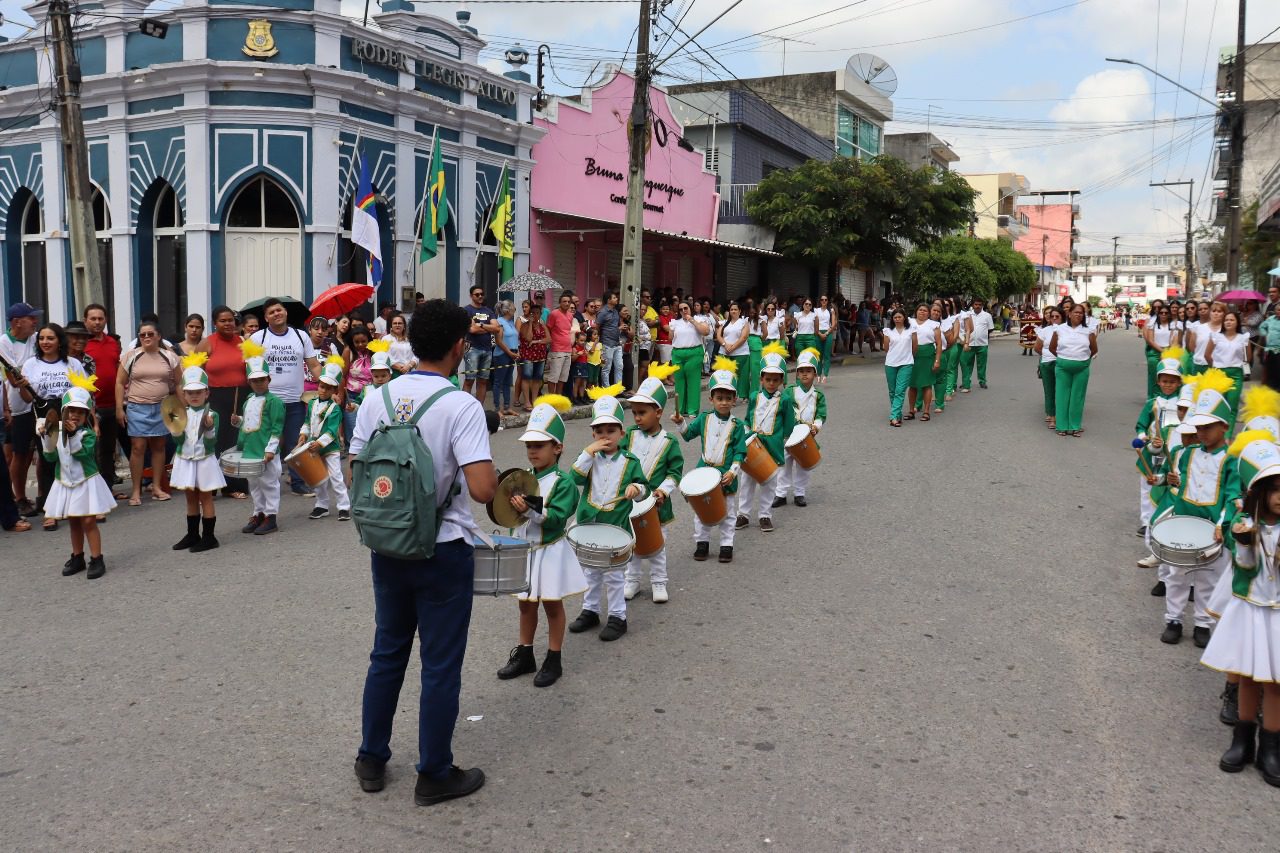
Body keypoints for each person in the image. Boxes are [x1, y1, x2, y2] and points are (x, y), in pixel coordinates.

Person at [348, 298, 497, 805]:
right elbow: (482, 489)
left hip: (387, 544)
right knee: (439, 664)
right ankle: (433, 772)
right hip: (443, 548)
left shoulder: (377, 398)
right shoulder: (461, 405)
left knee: (387, 651)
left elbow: (357, 471)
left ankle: (371, 757)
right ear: (459, 346)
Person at [497, 395, 585, 688]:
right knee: (525, 604)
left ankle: (554, 658)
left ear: (557, 447)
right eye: (529, 446)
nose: (532, 451)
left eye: (539, 445)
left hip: (549, 550)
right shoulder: (522, 477)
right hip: (525, 549)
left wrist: (530, 510)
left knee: (551, 604)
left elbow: (557, 518)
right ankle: (525, 654)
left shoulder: (564, 482)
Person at [1208, 437, 1280, 786]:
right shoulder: (1246, 523)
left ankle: (1271, 747)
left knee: (1276, 684)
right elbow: (1245, 569)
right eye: (1275, 489)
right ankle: (1242, 740)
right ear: (1259, 492)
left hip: (1278, 614)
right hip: (1251, 610)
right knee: (1249, 676)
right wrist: (1244, 542)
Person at [1155, 369, 1239, 646]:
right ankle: (1174, 619)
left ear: (1224, 426)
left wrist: (1222, 524)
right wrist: (1171, 481)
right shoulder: (1186, 453)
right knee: (1177, 576)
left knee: (1208, 579)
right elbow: (1177, 481)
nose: (1200, 433)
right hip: (1184, 523)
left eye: (1207, 427)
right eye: (1198, 428)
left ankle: (1203, 623)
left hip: (1213, 530)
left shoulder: (1231, 460)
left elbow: (1233, 495)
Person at [566, 392, 649, 642]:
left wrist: (636, 489)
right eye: (599, 431)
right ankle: (590, 610)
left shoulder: (631, 461)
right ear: (593, 435)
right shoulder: (589, 459)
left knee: (614, 576)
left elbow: (644, 488)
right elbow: (573, 478)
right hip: (590, 526)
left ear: (621, 433)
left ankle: (617, 617)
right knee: (590, 572)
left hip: (616, 527)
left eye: (611, 431)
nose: (605, 436)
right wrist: (587, 452)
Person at [41, 374, 113, 579]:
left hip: (85, 482)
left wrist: (72, 436)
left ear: (86, 415)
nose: (75, 415)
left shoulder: (87, 435)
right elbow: (50, 457)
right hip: (65, 482)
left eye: (80, 412)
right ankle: (77, 556)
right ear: (64, 411)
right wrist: (47, 437)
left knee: (88, 522)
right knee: (73, 522)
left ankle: (97, 558)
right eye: (71, 410)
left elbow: (83, 454)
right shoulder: (57, 430)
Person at [621, 369, 683, 603]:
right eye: (634, 413)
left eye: (642, 413)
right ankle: (632, 581)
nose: (637, 418)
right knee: (632, 545)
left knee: (657, 546)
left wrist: (663, 491)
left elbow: (675, 472)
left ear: (658, 412)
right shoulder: (629, 435)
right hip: (630, 503)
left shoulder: (669, 441)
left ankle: (659, 582)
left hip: (657, 504)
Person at [247, 298, 319, 498]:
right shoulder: (257, 338)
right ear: (266, 318)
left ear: (285, 312)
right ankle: (264, 483)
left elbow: (313, 365)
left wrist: (329, 384)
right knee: (267, 442)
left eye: (279, 310)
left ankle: (297, 482)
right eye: (271, 312)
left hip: (295, 400)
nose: (276, 314)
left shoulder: (301, 336)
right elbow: (250, 370)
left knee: (296, 442)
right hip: (267, 402)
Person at [22, 323, 89, 528]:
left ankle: (80, 506)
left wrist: (91, 421)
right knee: (49, 460)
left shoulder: (72, 364)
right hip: (44, 415)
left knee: (74, 457)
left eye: (50, 338)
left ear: (60, 340)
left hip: (70, 412)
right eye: (41, 338)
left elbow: (84, 393)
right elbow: (27, 398)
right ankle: (50, 511)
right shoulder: (31, 364)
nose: (45, 342)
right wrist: (21, 387)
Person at [681, 364, 746, 563]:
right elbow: (687, 435)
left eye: (728, 398)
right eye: (719, 398)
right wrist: (679, 422)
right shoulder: (704, 418)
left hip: (726, 474)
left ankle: (727, 544)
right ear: (711, 399)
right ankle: (702, 542)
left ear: (734, 399)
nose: (724, 402)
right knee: (701, 511)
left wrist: (733, 472)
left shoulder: (738, 425)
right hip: (704, 473)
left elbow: (740, 452)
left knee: (728, 512)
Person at [116, 320, 180, 505]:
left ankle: (157, 487)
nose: (146, 337)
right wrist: (119, 408)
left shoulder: (170, 356)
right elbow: (119, 382)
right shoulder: (131, 356)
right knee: (138, 448)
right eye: (142, 334)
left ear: (158, 336)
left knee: (159, 446)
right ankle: (136, 491)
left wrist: (183, 408)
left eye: (150, 334)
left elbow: (179, 383)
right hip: (137, 407)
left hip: (163, 407)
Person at [168, 354, 225, 552]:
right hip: (185, 459)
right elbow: (179, 442)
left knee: (205, 497)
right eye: (190, 392)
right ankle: (192, 534)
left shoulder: (212, 415)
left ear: (206, 393)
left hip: (204, 460)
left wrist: (208, 428)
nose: (194, 396)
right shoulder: (180, 414)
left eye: (198, 392)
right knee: (190, 497)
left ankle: (209, 537)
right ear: (184, 394)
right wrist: (175, 430)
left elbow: (211, 443)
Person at [736, 348, 796, 533]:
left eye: (776, 380)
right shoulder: (754, 396)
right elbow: (748, 418)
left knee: (769, 483)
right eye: (768, 379)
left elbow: (789, 425)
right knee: (747, 481)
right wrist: (746, 436)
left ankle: (765, 515)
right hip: (753, 446)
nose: (771, 383)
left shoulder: (785, 400)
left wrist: (782, 441)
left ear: (781, 380)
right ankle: (743, 514)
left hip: (773, 447)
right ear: (761, 379)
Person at [197, 306, 248, 500]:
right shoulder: (206, 343)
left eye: (230, 320)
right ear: (214, 323)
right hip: (215, 396)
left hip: (239, 395)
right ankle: (210, 486)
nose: (228, 324)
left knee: (235, 441)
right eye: (223, 321)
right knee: (214, 440)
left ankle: (232, 485)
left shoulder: (243, 342)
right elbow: (195, 373)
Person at [235, 340, 285, 535]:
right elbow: (249, 422)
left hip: (265, 450)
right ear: (249, 382)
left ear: (269, 379)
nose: (259, 383)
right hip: (250, 449)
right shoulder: (248, 399)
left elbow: (277, 427)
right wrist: (237, 421)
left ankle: (271, 517)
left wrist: (271, 449)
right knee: (254, 484)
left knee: (269, 483)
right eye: (255, 380)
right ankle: (258, 513)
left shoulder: (275, 401)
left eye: (262, 379)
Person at [1133, 353, 1184, 539]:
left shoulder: (1183, 405)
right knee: (1148, 484)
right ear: (1158, 382)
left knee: (1170, 484)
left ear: (1179, 382)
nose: (1168, 385)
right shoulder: (1152, 403)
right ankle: (1146, 521)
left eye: (1172, 381)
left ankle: (1165, 519)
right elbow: (1140, 425)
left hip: (1174, 453)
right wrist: (1144, 438)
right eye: (1164, 381)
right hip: (1153, 451)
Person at [2, 302, 42, 517]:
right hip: (17, 407)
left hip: (39, 402)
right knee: (20, 454)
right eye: (31, 318)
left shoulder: (36, 338)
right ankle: (18, 498)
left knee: (41, 451)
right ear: (17, 322)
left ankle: (43, 494)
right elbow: (13, 375)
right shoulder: (4, 342)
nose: (35, 321)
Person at [301, 357, 350, 522]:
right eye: (322, 386)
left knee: (336, 477)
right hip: (313, 446)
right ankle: (321, 505)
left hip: (330, 448)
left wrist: (319, 443)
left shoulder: (335, 409)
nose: (323, 390)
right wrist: (303, 434)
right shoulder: (312, 403)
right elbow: (307, 422)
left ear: (334, 390)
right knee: (318, 478)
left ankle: (344, 507)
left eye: (328, 388)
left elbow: (332, 431)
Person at [774, 348, 825, 507]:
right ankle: (780, 494)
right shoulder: (789, 392)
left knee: (804, 465)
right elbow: (781, 410)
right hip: (787, 436)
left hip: (806, 436)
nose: (804, 374)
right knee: (783, 465)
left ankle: (799, 493)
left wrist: (816, 426)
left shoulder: (818, 395)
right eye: (801, 371)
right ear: (796, 374)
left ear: (815, 374)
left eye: (808, 371)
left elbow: (821, 415)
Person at [1049, 304, 1098, 437]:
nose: (1078, 314)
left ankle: (1075, 426)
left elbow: (1094, 349)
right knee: (1062, 396)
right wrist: (1063, 358)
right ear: (1069, 314)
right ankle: (1061, 426)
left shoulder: (1088, 331)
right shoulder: (1059, 329)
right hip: (1062, 368)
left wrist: (1084, 360)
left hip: (1081, 368)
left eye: (1081, 313)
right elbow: (1052, 348)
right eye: (1075, 312)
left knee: (1078, 397)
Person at [1205, 309, 1251, 421]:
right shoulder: (1216, 336)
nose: (1228, 322)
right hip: (1219, 374)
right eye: (1226, 320)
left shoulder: (1243, 338)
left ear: (1237, 322)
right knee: (1219, 405)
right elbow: (1207, 355)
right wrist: (1215, 368)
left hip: (1236, 375)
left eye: (1231, 320)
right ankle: (1218, 429)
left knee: (1232, 405)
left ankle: (1229, 432)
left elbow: (1248, 358)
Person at [668, 301, 710, 421]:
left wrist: (692, 320)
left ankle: (692, 409)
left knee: (693, 381)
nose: (683, 311)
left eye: (685, 308)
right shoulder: (675, 322)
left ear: (690, 308)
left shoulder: (699, 319)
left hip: (694, 352)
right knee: (679, 382)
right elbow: (670, 338)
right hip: (678, 353)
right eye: (681, 309)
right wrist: (671, 330)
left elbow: (705, 332)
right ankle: (680, 409)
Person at [462, 286, 499, 404]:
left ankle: (479, 409)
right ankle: (464, 408)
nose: (480, 296)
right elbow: (472, 329)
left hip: (487, 349)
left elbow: (496, 328)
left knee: (483, 381)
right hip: (472, 349)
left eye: (482, 294)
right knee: (469, 380)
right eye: (477, 294)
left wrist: (481, 325)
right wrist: (488, 328)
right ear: (471, 296)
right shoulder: (467, 310)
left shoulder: (488, 311)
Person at [906, 304, 941, 422]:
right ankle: (911, 410)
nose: (922, 312)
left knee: (927, 384)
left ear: (929, 313)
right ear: (916, 311)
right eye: (920, 310)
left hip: (927, 355)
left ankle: (926, 411)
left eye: (925, 310)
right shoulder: (909, 322)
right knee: (912, 385)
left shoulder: (934, 325)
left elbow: (939, 344)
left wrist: (937, 360)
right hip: (912, 355)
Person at [882, 307, 913, 427]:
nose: (897, 319)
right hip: (890, 363)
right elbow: (886, 348)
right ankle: (897, 414)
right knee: (893, 390)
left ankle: (893, 416)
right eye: (895, 317)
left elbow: (914, 347)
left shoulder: (911, 330)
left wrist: (909, 356)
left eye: (899, 317)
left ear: (904, 318)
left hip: (906, 363)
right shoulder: (888, 331)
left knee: (900, 390)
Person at [342, 326, 374, 445]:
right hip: (352, 396)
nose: (360, 344)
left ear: (369, 340)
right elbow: (343, 375)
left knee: (368, 429)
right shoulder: (348, 351)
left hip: (370, 396)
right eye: (356, 342)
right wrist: (341, 395)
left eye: (363, 341)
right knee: (353, 430)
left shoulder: (374, 351)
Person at [1034, 307, 1063, 430]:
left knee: (1061, 391)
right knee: (1049, 390)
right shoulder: (1045, 331)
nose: (1054, 319)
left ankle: (1062, 415)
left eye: (1057, 316)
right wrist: (1046, 356)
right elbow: (1037, 347)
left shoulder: (1067, 329)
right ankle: (1052, 416)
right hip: (1047, 364)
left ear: (1062, 317)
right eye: (1052, 317)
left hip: (1062, 363)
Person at [545, 291, 575, 397]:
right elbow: (548, 328)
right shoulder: (554, 314)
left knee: (563, 377)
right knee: (554, 376)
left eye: (568, 301)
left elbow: (568, 331)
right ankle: (551, 398)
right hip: (557, 349)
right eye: (564, 301)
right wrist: (550, 340)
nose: (566, 303)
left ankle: (558, 397)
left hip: (568, 349)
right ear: (560, 303)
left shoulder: (570, 315)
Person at [518, 304, 549, 410]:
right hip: (528, 356)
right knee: (527, 377)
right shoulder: (524, 325)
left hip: (540, 355)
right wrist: (531, 323)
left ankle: (535, 400)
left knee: (537, 378)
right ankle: (527, 402)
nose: (535, 315)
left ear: (540, 314)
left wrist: (537, 341)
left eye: (537, 313)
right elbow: (528, 338)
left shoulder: (542, 325)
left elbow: (549, 339)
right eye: (533, 313)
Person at [960, 298, 994, 392]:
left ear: (982, 305)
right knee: (967, 364)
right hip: (969, 343)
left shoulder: (987, 316)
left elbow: (990, 328)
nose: (977, 306)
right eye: (976, 304)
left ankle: (982, 381)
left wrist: (982, 335)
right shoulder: (968, 315)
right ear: (973, 305)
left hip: (982, 344)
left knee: (982, 364)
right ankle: (966, 381)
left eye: (979, 304)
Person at [492, 301, 519, 418]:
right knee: (498, 382)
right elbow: (499, 341)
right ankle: (497, 408)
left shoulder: (511, 322)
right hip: (502, 354)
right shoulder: (499, 322)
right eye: (513, 307)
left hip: (512, 353)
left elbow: (514, 338)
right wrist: (509, 352)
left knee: (508, 381)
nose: (515, 309)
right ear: (507, 310)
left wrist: (516, 351)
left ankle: (507, 407)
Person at [1143, 304, 1177, 398]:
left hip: (1169, 351)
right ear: (1158, 314)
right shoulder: (1153, 324)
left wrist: (1167, 352)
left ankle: (1165, 397)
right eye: (1161, 313)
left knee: (1167, 376)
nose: (1163, 314)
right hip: (1155, 352)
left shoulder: (1173, 325)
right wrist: (1162, 351)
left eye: (1166, 313)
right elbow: (1150, 340)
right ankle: (1152, 397)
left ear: (1169, 314)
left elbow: (1174, 339)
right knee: (1154, 376)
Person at [717, 302, 750, 393]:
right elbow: (719, 336)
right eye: (731, 309)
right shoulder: (724, 322)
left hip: (740, 353)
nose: (733, 311)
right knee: (725, 375)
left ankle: (735, 394)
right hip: (724, 352)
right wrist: (725, 345)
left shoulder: (744, 322)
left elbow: (744, 337)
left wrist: (733, 347)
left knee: (734, 375)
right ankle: (726, 394)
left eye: (735, 309)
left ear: (739, 311)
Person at [596, 291, 622, 387]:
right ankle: (606, 389)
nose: (616, 299)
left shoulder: (615, 311)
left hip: (617, 343)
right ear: (608, 300)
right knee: (606, 368)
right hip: (607, 343)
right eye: (614, 298)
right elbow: (597, 327)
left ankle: (618, 388)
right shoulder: (602, 312)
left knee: (619, 366)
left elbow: (616, 325)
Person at [793, 299, 819, 364]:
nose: (808, 305)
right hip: (799, 338)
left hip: (810, 338)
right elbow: (796, 327)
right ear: (803, 305)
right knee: (800, 358)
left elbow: (816, 330)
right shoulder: (797, 315)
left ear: (811, 306)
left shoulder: (814, 315)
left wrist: (812, 337)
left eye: (810, 304)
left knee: (811, 358)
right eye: (806, 304)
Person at [814, 295, 834, 382]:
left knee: (827, 355)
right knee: (819, 355)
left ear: (827, 301)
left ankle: (825, 375)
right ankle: (818, 375)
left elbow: (833, 324)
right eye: (822, 299)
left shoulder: (831, 310)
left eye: (825, 299)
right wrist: (819, 333)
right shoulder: (816, 310)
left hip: (827, 332)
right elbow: (814, 323)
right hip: (818, 332)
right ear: (820, 301)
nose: (824, 301)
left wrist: (826, 333)